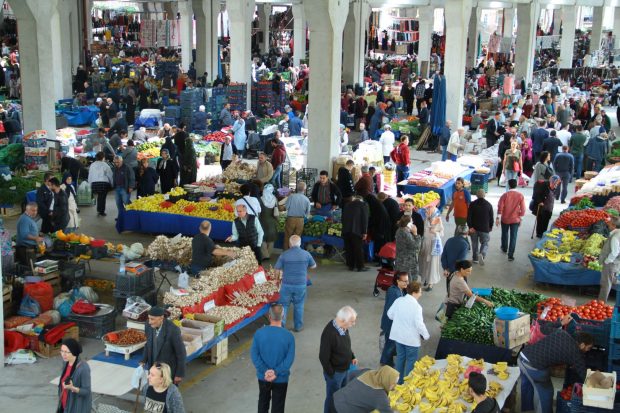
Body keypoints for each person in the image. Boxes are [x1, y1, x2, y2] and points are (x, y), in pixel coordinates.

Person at [519, 328, 593, 413]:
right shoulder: (576, 353)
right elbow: (584, 375)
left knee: (529, 386)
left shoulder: (562, 333)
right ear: (582, 345)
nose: (588, 350)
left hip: (523, 356)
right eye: (589, 348)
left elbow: (545, 331)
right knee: (546, 392)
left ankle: (527, 410)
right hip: (532, 365)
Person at [251, 304, 296, 413]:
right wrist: (276, 372)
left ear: (269, 316)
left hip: (263, 377)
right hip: (281, 378)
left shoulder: (259, 333)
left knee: (263, 402)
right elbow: (289, 360)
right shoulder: (289, 336)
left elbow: (254, 355)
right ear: (283, 316)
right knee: (278, 406)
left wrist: (265, 371)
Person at [387, 281, 429, 384]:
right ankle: (408, 384)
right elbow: (419, 325)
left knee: (400, 358)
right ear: (414, 293)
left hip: (398, 337)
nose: (421, 294)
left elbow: (390, 314)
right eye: (420, 292)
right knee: (411, 361)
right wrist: (426, 335)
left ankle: (398, 382)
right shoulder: (417, 307)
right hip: (411, 340)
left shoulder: (399, 300)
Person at [319, 306, 358, 413]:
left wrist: (352, 356)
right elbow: (323, 357)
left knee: (342, 395)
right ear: (342, 320)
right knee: (332, 399)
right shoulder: (329, 333)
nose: (353, 324)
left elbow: (346, 346)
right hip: (335, 373)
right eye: (351, 321)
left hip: (345, 369)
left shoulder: (343, 328)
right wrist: (331, 373)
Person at [275, 235, 317, 331]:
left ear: (290, 244)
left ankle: (281, 326)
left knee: (284, 305)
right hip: (301, 285)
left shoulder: (284, 254)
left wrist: (277, 279)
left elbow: (277, 269)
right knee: (299, 305)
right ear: (300, 243)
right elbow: (314, 266)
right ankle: (298, 327)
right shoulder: (306, 254)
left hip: (286, 285)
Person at [141, 306, 186, 384]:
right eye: (149, 318)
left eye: (152, 319)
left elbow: (181, 353)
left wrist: (179, 374)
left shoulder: (173, 330)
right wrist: (143, 360)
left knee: (167, 393)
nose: (149, 322)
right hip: (154, 367)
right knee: (155, 390)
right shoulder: (148, 326)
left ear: (161, 318)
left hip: (167, 369)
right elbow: (148, 343)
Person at [333, 366, 399, 413]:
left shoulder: (369, 372)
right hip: (345, 410)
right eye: (393, 383)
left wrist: (350, 390)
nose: (395, 386)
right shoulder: (380, 396)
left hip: (337, 398)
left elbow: (350, 375)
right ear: (386, 380)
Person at [380, 272, 408, 367]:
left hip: (393, 324)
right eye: (404, 281)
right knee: (390, 344)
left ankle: (387, 361)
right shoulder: (393, 292)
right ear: (397, 281)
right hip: (390, 324)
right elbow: (390, 311)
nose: (406, 283)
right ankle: (385, 362)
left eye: (407, 281)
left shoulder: (401, 290)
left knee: (391, 343)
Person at [57, 338, 91, 413]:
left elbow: (86, 392)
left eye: (66, 352)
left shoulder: (84, 368)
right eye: (62, 351)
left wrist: (72, 388)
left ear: (74, 352)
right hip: (64, 405)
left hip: (75, 408)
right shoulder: (65, 362)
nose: (63, 354)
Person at [496, 179, 526, 261]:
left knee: (504, 234)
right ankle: (510, 255)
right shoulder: (520, 195)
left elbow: (500, 207)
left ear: (508, 185)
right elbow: (523, 209)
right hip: (515, 220)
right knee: (513, 237)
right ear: (516, 185)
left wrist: (498, 217)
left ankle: (504, 248)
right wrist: (521, 218)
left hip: (505, 219)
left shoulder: (505, 195)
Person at [419, 204, 443, 291]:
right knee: (424, 262)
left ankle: (431, 283)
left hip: (433, 246)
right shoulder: (425, 219)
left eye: (428, 209)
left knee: (432, 264)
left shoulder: (437, 219)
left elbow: (441, 232)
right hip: (425, 244)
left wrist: (435, 232)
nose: (426, 211)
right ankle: (425, 279)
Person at [467, 190, 494, 265]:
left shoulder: (472, 204)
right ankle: (482, 253)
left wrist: (470, 227)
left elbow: (469, 217)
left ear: (476, 195)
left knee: (474, 243)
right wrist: (490, 226)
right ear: (484, 195)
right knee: (485, 243)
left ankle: (475, 259)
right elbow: (491, 218)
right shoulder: (488, 205)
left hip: (474, 228)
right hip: (484, 228)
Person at [342, 196, 369, 272]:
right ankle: (360, 266)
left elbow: (342, 217)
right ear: (361, 199)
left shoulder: (347, 205)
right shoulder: (363, 205)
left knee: (349, 248)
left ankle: (351, 265)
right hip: (357, 230)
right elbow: (365, 219)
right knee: (358, 249)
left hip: (346, 230)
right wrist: (364, 232)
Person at [598, 216, 620, 301]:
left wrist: (607, 261)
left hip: (611, 263)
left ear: (614, 225)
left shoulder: (615, 237)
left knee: (606, 283)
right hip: (616, 263)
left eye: (609, 223)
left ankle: (601, 303)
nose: (608, 224)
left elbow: (615, 252)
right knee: (612, 279)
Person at [283, 182, 311, 250]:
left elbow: (286, 207)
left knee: (288, 237)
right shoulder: (307, 199)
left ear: (296, 188)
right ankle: (295, 253)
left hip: (291, 219)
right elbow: (307, 213)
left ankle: (286, 253)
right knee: (297, 238)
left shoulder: (291, 196)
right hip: (300, 220)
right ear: (304, 189)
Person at [394, 216, 422, 280]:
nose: (413, 224)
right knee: (408, 283)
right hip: (407, 263)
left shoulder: (399, 230)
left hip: (401, 261)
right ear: (408, 224)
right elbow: (416, 247)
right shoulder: (406, 234)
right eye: (412, 222)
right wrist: (415, 234)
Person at [87, 152, 113, 216]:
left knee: (99, 196)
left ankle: (99, 210)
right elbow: (110, 175)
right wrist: (112, 184)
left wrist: (89, 184)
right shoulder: (105, 165)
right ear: (103, 157)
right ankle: (101, 211)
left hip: (95, 184)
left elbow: (90, 175)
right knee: (102, 197)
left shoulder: (92, 165)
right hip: (103, 183)